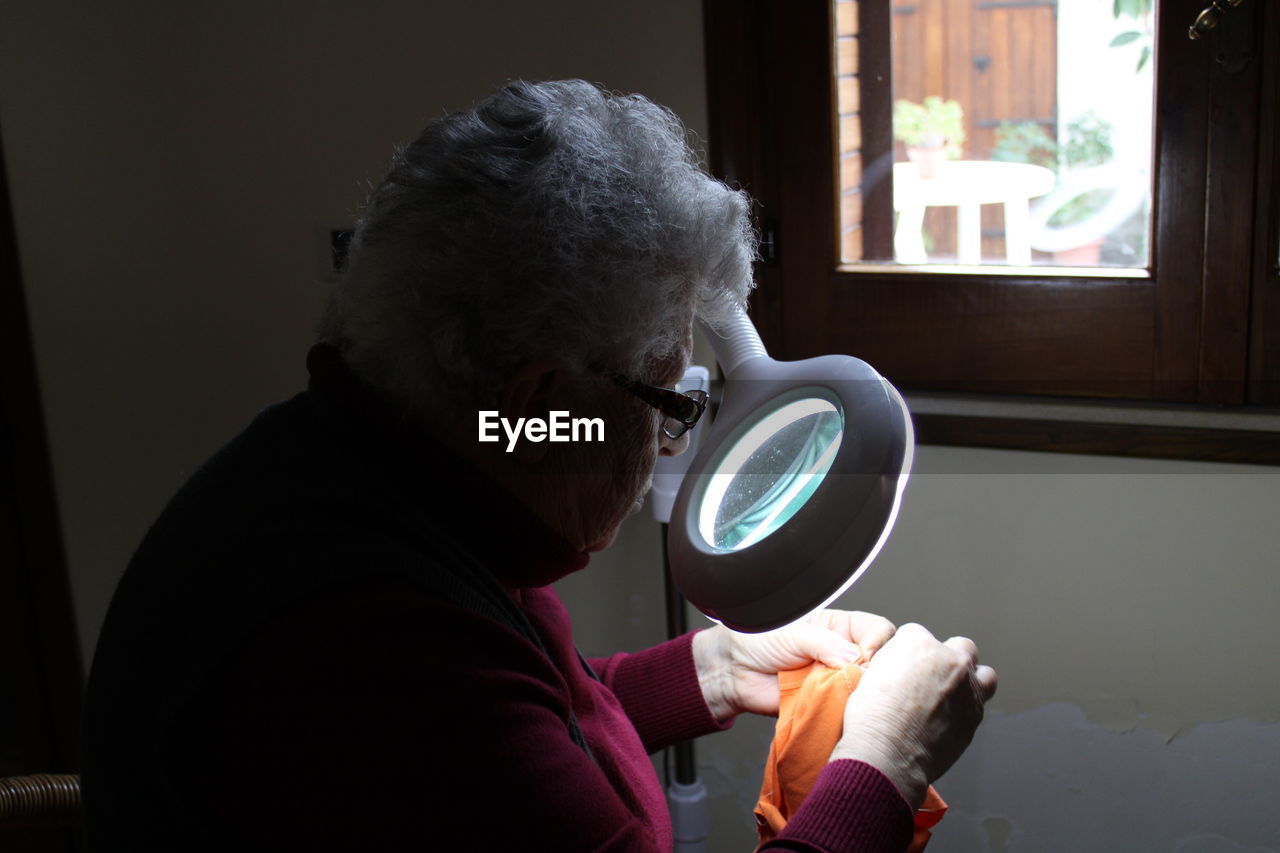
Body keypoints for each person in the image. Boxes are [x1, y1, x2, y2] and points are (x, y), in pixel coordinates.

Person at [81, 79, 996, 851]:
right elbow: (467, 731)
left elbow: (536, 716)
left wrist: (714, 668)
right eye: (665, 400)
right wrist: (885, 762)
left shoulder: (395, 469)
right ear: (541, 392)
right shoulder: (368, 653)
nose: (668, 445)